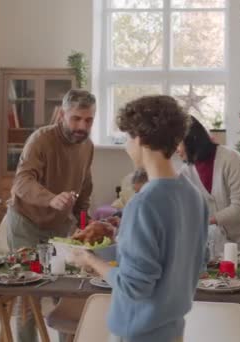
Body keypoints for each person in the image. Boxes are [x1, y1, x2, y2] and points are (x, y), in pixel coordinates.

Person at [71, 95, 208, 342]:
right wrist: (117, 241)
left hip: (137, 333)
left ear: (141, 139)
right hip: (173, 330)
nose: (126, 146)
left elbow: (134, 286)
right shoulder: (193, 195)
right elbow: (189, 260)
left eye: (127, 137)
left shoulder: (143, 203)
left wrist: (90, 261)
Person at [5, 89, 96, 342]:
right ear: (62, 115)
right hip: (26, 224)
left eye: (88, 120)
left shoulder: (87, 145)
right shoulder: (40, 140)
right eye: (76, 118)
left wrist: (83, 222)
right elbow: (22, 181)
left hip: (60, 229)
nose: (82, 126)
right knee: (28, 294)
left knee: (67, 293)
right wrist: (51, 198)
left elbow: (85, 185)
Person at [177, 116, 240, 253]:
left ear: (191, 139)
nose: (175, 150)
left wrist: (206, 220)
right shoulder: (186, 172)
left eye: (177, 143)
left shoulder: (231, 159)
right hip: (222, 246)